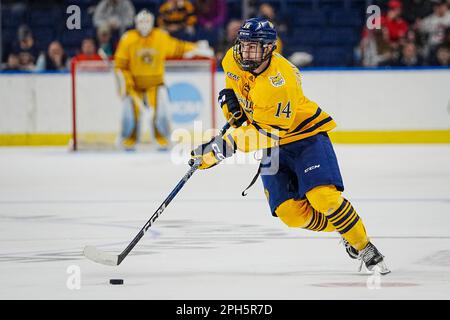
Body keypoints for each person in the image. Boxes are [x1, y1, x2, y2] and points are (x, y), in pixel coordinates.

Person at [189, 18, 390, 274]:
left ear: (270, 48)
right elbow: (239, 96)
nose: (246, 52)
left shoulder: (281, 82)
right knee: (291, 214)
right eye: (243, 45)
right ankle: (344, 226)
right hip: (273, 143)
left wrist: (220, 149)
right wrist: (233, 110)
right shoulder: (231, 59)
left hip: (305, 138)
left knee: (323, 197)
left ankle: (363, 245)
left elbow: (265, 134)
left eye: (254, 47)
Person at [114, 9, 213, 150]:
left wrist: (196, 47)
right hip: (134, 85)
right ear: (136, 22)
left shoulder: (160, 36)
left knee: (160, 115)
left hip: (155, 85)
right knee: (131, 116)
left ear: (152, 22)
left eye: (147, 21)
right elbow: (120, 65)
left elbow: (178, 47)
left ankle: (162, 140)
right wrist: (126, 83)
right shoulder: (128, 38)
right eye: (141, 21)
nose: (144, 25)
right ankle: (128, 140)